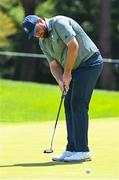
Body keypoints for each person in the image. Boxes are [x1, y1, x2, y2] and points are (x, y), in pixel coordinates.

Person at [22, 15, 103, 162]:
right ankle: (71, 148)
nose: (36, 34)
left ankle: (83, 150)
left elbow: (73, 46)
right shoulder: (43, 42)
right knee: (68, 105)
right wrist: (61, 81)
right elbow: (53, 64)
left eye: (36, 30)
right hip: (74, 69)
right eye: (33, 34)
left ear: (40, 21)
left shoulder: (59, 23)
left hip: (89, 63)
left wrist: (67, 74)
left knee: (78, 104)